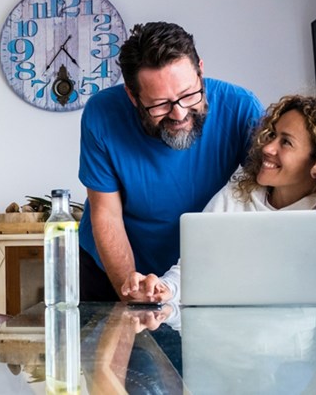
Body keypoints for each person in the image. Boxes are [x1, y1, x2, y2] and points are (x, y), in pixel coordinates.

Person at [78, 21, 264, 301]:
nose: (179, 114)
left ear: (200, 70)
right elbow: (107, 214)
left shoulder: (241, 108)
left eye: (189, 94)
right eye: (160, 104)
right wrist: (132, 292)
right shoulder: (101, 114)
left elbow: (265, 199)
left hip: (205, 266)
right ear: (132, 95)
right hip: (111, 268)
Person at [122, 91, 316, 302]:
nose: (268, 148)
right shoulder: (241, 188)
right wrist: (163, 289)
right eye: (272, 135)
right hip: (231, 333)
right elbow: (195, 267)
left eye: (286, 142)